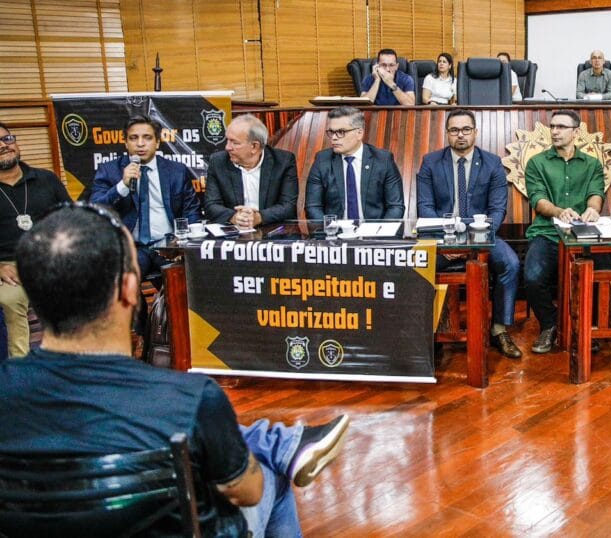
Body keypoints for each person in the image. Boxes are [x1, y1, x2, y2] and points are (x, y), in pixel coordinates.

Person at [0, 203, 351, 536]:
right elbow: (249, 492)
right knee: (269, 475)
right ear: (129, 289)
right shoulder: (190, 398)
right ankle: (277, 446)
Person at [416, 109, 522, 358]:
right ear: (447, 133)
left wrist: (472, 244)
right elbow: (425, 208)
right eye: (454, 130)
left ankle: (498, 329)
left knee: (511, 264)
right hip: (443, 237)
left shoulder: (492, 162)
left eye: (466, 129)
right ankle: (434, 329)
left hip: (481, 236)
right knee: (419, 263)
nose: (460, 135)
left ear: (475, 132)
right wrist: (448, 243)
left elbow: (497, 210)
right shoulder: (431, 162)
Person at [523, 110, 605, 354]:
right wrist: (559, 211)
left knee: (604, 272)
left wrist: (592, 209)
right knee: (532, 278)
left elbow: (596, 193)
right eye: (553, 126)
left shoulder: (592, 164)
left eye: (561, 127)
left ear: (576, 132)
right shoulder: (536, 162)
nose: (555, 131)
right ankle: (551, 324)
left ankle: (588, 326)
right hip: (547, 232)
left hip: (584, 233)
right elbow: (538, 200)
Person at [90, 115, 201, 277]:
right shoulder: (109, 170)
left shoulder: (176, 171)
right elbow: (95, 209)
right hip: (131, 249)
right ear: (125, 142)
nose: (140, 144)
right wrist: (122, 186)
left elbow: (191, 210)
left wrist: (185, 247)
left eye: (147, 138)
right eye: (133, 138)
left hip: (168, 247)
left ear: (157, 143)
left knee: (186, 287)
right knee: (124, 286)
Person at [0, 123, 70, 358]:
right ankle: (20, 376)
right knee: (11, 302)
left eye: (7, 139)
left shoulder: (46, 179)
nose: (3, 145)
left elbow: (72, 220)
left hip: (51, 259)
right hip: (8, 268)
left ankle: (76, 365)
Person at [304, 106, 404, 221]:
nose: (334, 138)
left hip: (374, 233)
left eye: (341, 132)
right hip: (336, 233)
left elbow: (395, 207)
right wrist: (331, 230)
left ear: (359, 133)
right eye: (331, 132)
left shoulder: (383, 160)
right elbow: (312, 207)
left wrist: (379, 232)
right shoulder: (322, 160)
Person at [204, 114, 299, 227]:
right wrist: (234, 217)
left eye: (234, 142)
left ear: (254, 146)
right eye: (228, 140)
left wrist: (258, 217)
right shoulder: (218, 161)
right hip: (233, 233)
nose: (227, 147)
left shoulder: (283, 162)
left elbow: (288, 206)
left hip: (272, 230)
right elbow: (211, 205)